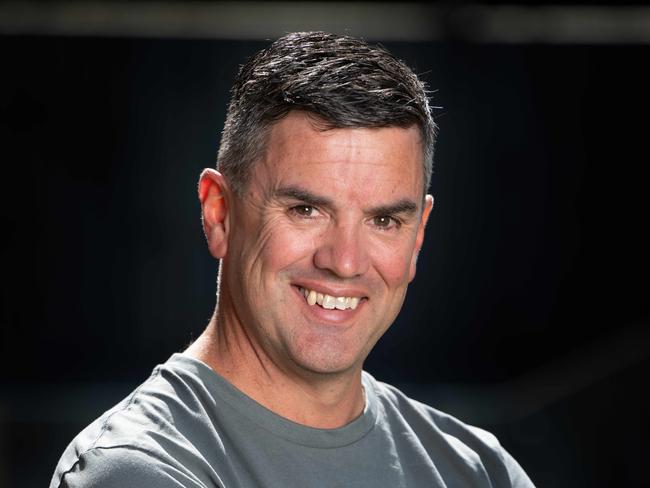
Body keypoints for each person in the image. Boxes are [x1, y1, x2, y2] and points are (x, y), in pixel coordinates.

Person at [50, 31, 535, 487]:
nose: (344, 262)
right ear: (219, 212)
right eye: (306, 210)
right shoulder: (140, 469)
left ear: (418, 237)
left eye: (384, 221)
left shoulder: (477, 470)